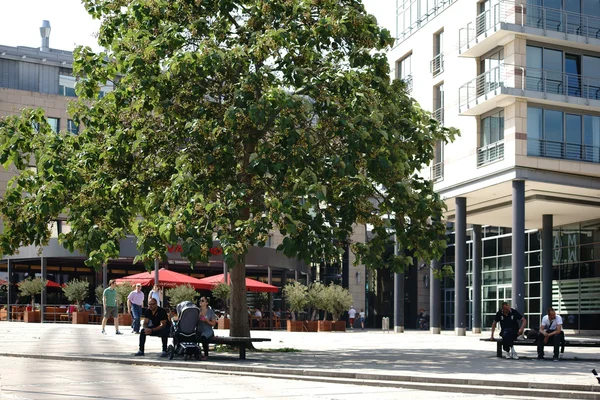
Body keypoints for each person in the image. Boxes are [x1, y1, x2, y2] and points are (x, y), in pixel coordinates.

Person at [197, 296, 217, 361]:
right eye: (200, 300)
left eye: (202, 301)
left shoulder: (210, 312)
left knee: (203, 337)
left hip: (207, 330)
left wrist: (206, 320)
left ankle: (206, 355)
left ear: (206, 303)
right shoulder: (197, 310)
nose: (200, 302)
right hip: (199, 330)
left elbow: (214, 324)